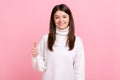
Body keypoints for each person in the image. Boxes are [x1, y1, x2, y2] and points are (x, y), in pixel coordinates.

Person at [32, 4, 85, 80]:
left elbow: (79, 71)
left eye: (64, 17)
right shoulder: (46, 39)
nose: (61, 20)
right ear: (53, 20)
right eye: (57, 17)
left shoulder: (77, 41)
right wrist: (35, 56)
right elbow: (41, 67)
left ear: (69, 19)